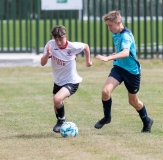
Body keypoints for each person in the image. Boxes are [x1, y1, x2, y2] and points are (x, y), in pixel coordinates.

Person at [94, 10, 153, 133]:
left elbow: (126, 53)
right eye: (107, 25)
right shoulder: (115, 33)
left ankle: (147, 121)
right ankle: (107, 118)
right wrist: (116, 54)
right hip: (119, 68)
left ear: (118, 22)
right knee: (105, 92)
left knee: (133, 101)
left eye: (110, 25)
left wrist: (108, 57)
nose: (109, 28)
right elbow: (123, 51)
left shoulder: (126, 35)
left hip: (132, 72)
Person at [41, 25, 92, 133]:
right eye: (56, 39)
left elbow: (86, 47)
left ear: (66, 37)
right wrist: (48, 54)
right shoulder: (50, 45)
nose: (58, 42)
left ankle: (61, 121)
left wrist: (88, 61)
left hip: (72, 81)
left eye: (61, 39)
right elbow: (42, 63)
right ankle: (63, 125)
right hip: (58, 81)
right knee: (56, 105)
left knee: (57, 99)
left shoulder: (73, 46)